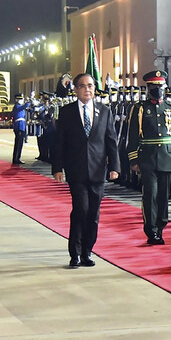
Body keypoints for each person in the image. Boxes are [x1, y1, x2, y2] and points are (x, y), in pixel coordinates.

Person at [52, 73, 120, 268]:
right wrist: (58, 167)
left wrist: (114, 166)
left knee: (94, 214)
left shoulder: (104, 111)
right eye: (82, 86)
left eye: (90, 85)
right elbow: (60, 143)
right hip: (76, 170)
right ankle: (75, 253)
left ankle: (88, 252)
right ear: (75, 89)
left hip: (98, 170)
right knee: (81, 209)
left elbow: (111, 140)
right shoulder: (67, 112)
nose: (87, 89)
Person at [126, 70, 171, 245]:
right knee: (150, 194)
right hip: (147, 157)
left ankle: (161, 225)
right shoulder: (140, 109)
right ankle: (152, 231)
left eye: (160, 86)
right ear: (148, 88)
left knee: (163, 196)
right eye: (154, 86)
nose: (157, 89)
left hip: (166, 157)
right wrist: (133, 159)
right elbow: (133, 134)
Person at [11, 94, 30, 164]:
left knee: (20, 143)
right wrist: (29, 102)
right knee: (18, 143)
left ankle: (17, 158)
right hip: (19, 126)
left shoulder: (20, 106)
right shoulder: (17, 106)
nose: (22, 101)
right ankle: (16, 158)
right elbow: (24, 107)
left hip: (21, 126)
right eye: (21, 99)